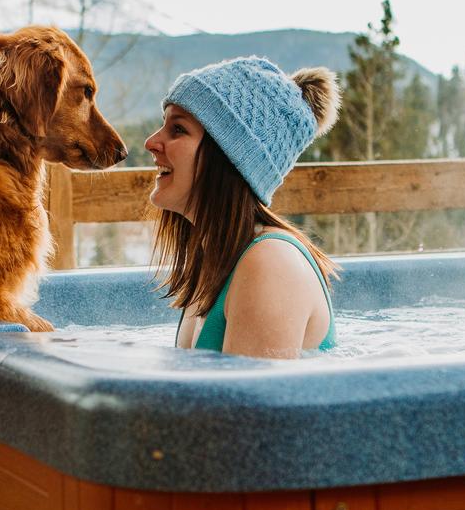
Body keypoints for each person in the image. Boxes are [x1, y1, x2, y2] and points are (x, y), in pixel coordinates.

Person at [145, 56, 342, 358]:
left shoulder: (269, 264)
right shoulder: (215, 259)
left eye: (178, 129)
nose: (152, 142)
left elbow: (248, 405)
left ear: (226, 157)